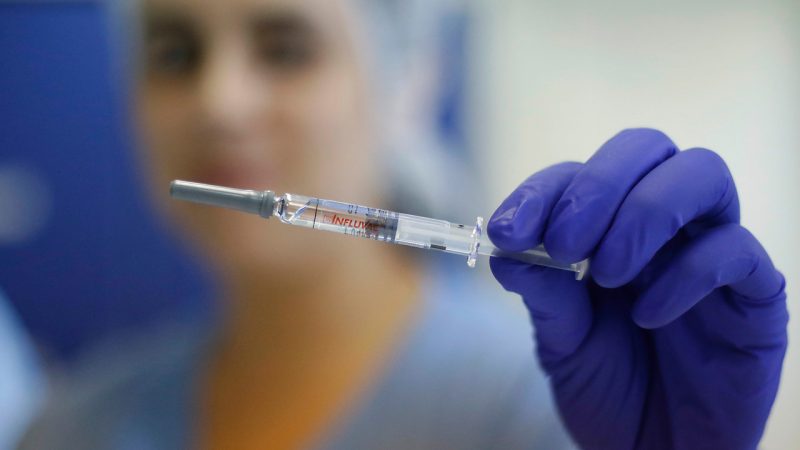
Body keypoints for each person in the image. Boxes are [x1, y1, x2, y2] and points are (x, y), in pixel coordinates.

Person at [20, 0, 788, 449]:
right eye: (174, 54)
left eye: (286, 49)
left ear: (401, 80)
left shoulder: (536, 407)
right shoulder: (76, 424)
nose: (219, 101)